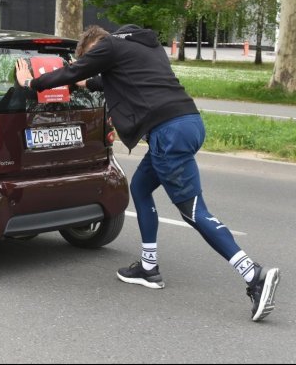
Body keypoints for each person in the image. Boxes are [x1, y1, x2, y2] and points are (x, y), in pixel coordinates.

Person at [15, 24, 280, 322]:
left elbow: (72, 72)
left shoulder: (108, 46)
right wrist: (86, 85)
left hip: (168, 133)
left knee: (194, 212)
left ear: (94, 46)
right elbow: (113, 81)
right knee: (140, 188)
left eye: (90, 57)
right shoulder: (145, 47)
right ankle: (148, 267)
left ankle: (253, 275)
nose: (94, 63)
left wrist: (31, 83)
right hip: (187, 123)